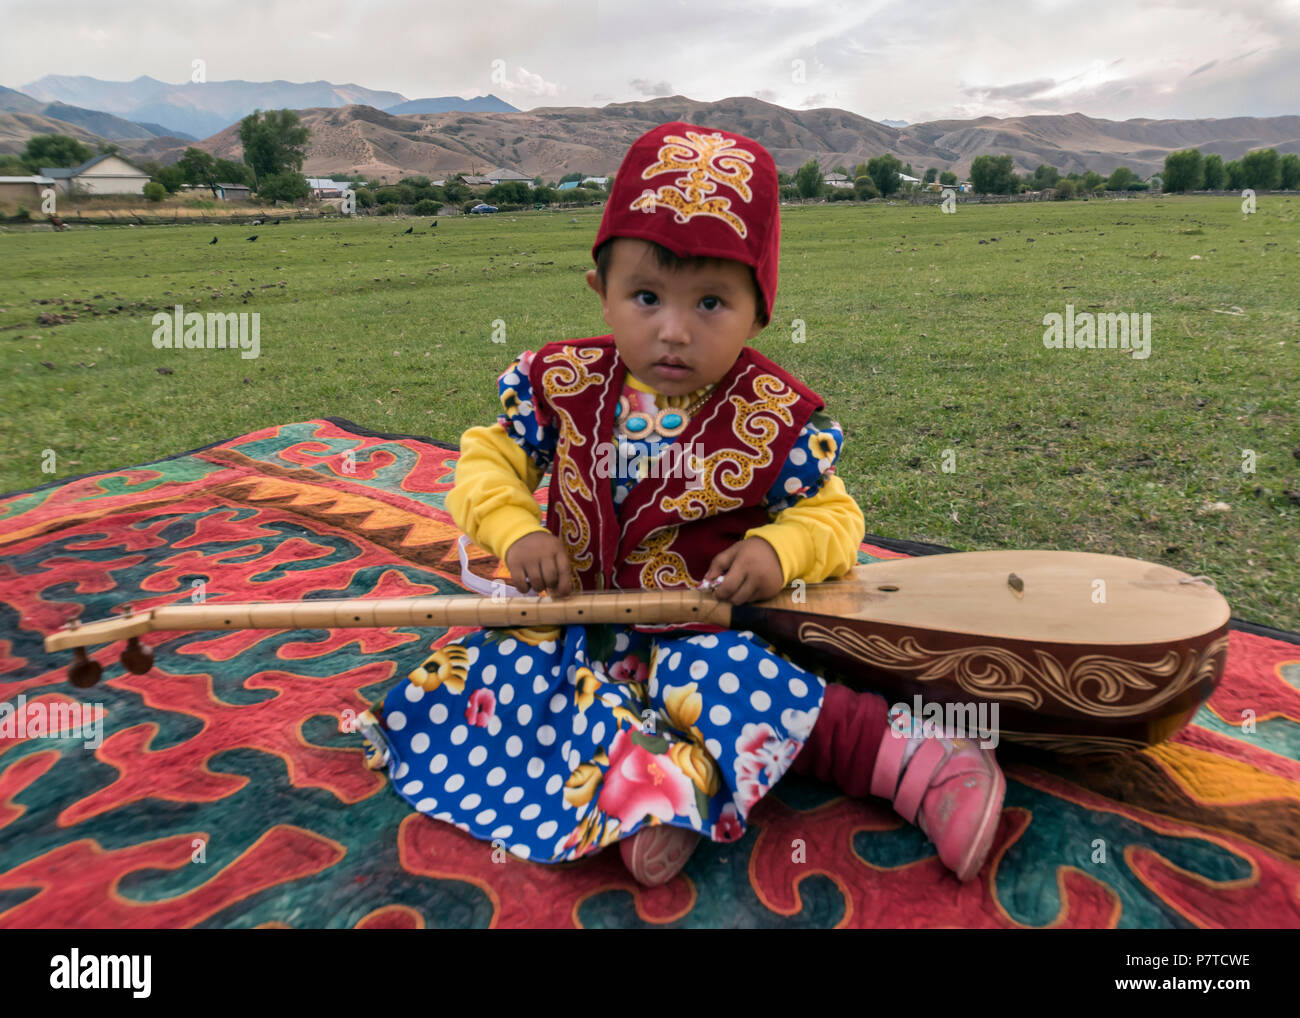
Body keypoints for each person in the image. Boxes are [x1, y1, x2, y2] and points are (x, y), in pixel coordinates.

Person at [355, 121, 1005, 886]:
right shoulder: (558, 385)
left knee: (736, 687)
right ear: (601, 294)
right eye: (646, 296)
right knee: (489, 682)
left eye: (710, 303)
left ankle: (920, 762)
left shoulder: (773, 415)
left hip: (699, 635)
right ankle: (664, 796)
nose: (673, 330)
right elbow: (487, 460)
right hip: (575, 626)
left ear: (759, 310)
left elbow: (836, 517)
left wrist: (776, 551)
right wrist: (515, 525)